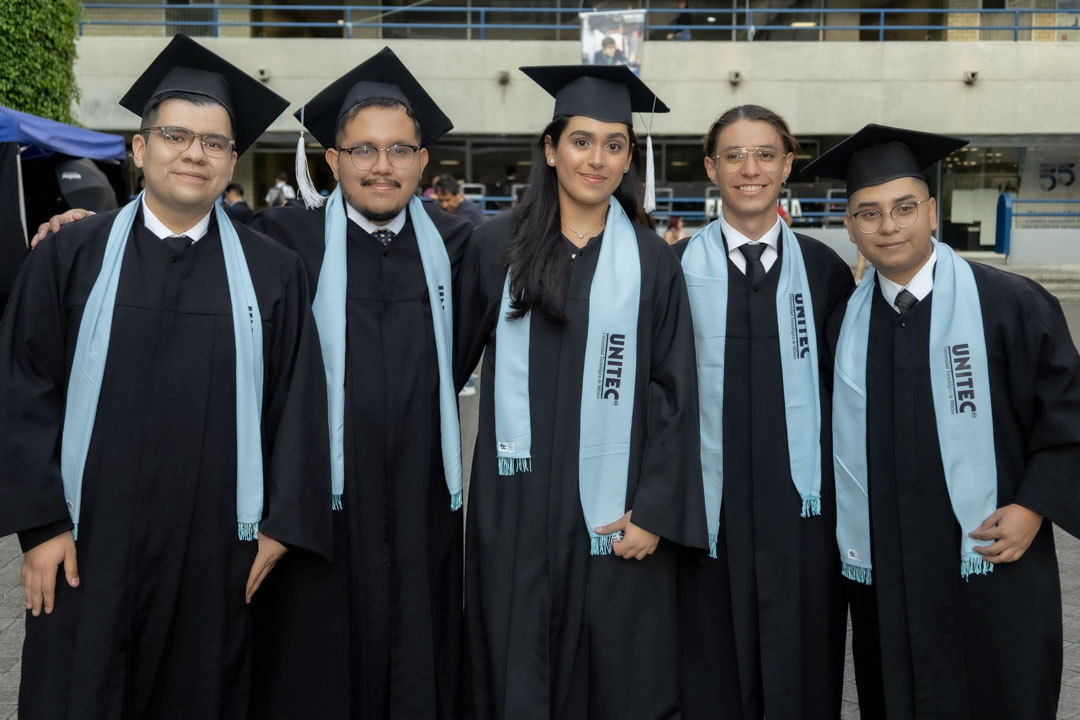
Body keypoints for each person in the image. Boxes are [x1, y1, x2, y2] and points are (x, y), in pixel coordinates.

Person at [0, 33, 332, 719]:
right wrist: (40, 527)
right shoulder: (72, 255)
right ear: (138, 148)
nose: (195, 153)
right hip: (85, 547)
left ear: (231, 161)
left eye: (214, 143)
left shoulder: (273, 274)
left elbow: (298, 403)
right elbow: (24, 386)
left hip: (215, 553)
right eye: (176, 135)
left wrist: (281, 526)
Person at [807, 124, 1080, 718]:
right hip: (887, 573)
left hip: (991, 559)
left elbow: (1068, 419)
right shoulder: (841, 325)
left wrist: (1034, 506)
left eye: (904, 207)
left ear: (931, 211)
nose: (889, 226)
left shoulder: (1011, 304)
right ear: (851, 227)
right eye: (869, 213)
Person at [463, 64, 707, 720]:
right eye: (580, 141)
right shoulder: (496, 248)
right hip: (513, 505)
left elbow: (675, 390)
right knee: (514, 668)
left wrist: (655, 510)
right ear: (550, 148)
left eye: (614, 144)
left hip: (613, 513)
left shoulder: (653, 262)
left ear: (630, 156)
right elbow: (441, 366)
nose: (596, 159)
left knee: (618, 676)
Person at [246, 47, 480, 720]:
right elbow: (179, 237)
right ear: (333, 161)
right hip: (316, 512)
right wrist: (78, 233)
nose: (383, 166)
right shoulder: (279, 240)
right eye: (365, 150)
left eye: (400, 149)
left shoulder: (462, 247)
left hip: (422, 507)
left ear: (423, 162)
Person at [674, 104, 854, 719]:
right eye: (733, 155)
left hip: (801, 512)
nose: (750, 168)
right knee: (707, 667)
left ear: (786, 167)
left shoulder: (826, 273)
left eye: (765, 155)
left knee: (802, 662)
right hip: (705, 516)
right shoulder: (672, 272)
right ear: (710, 168)